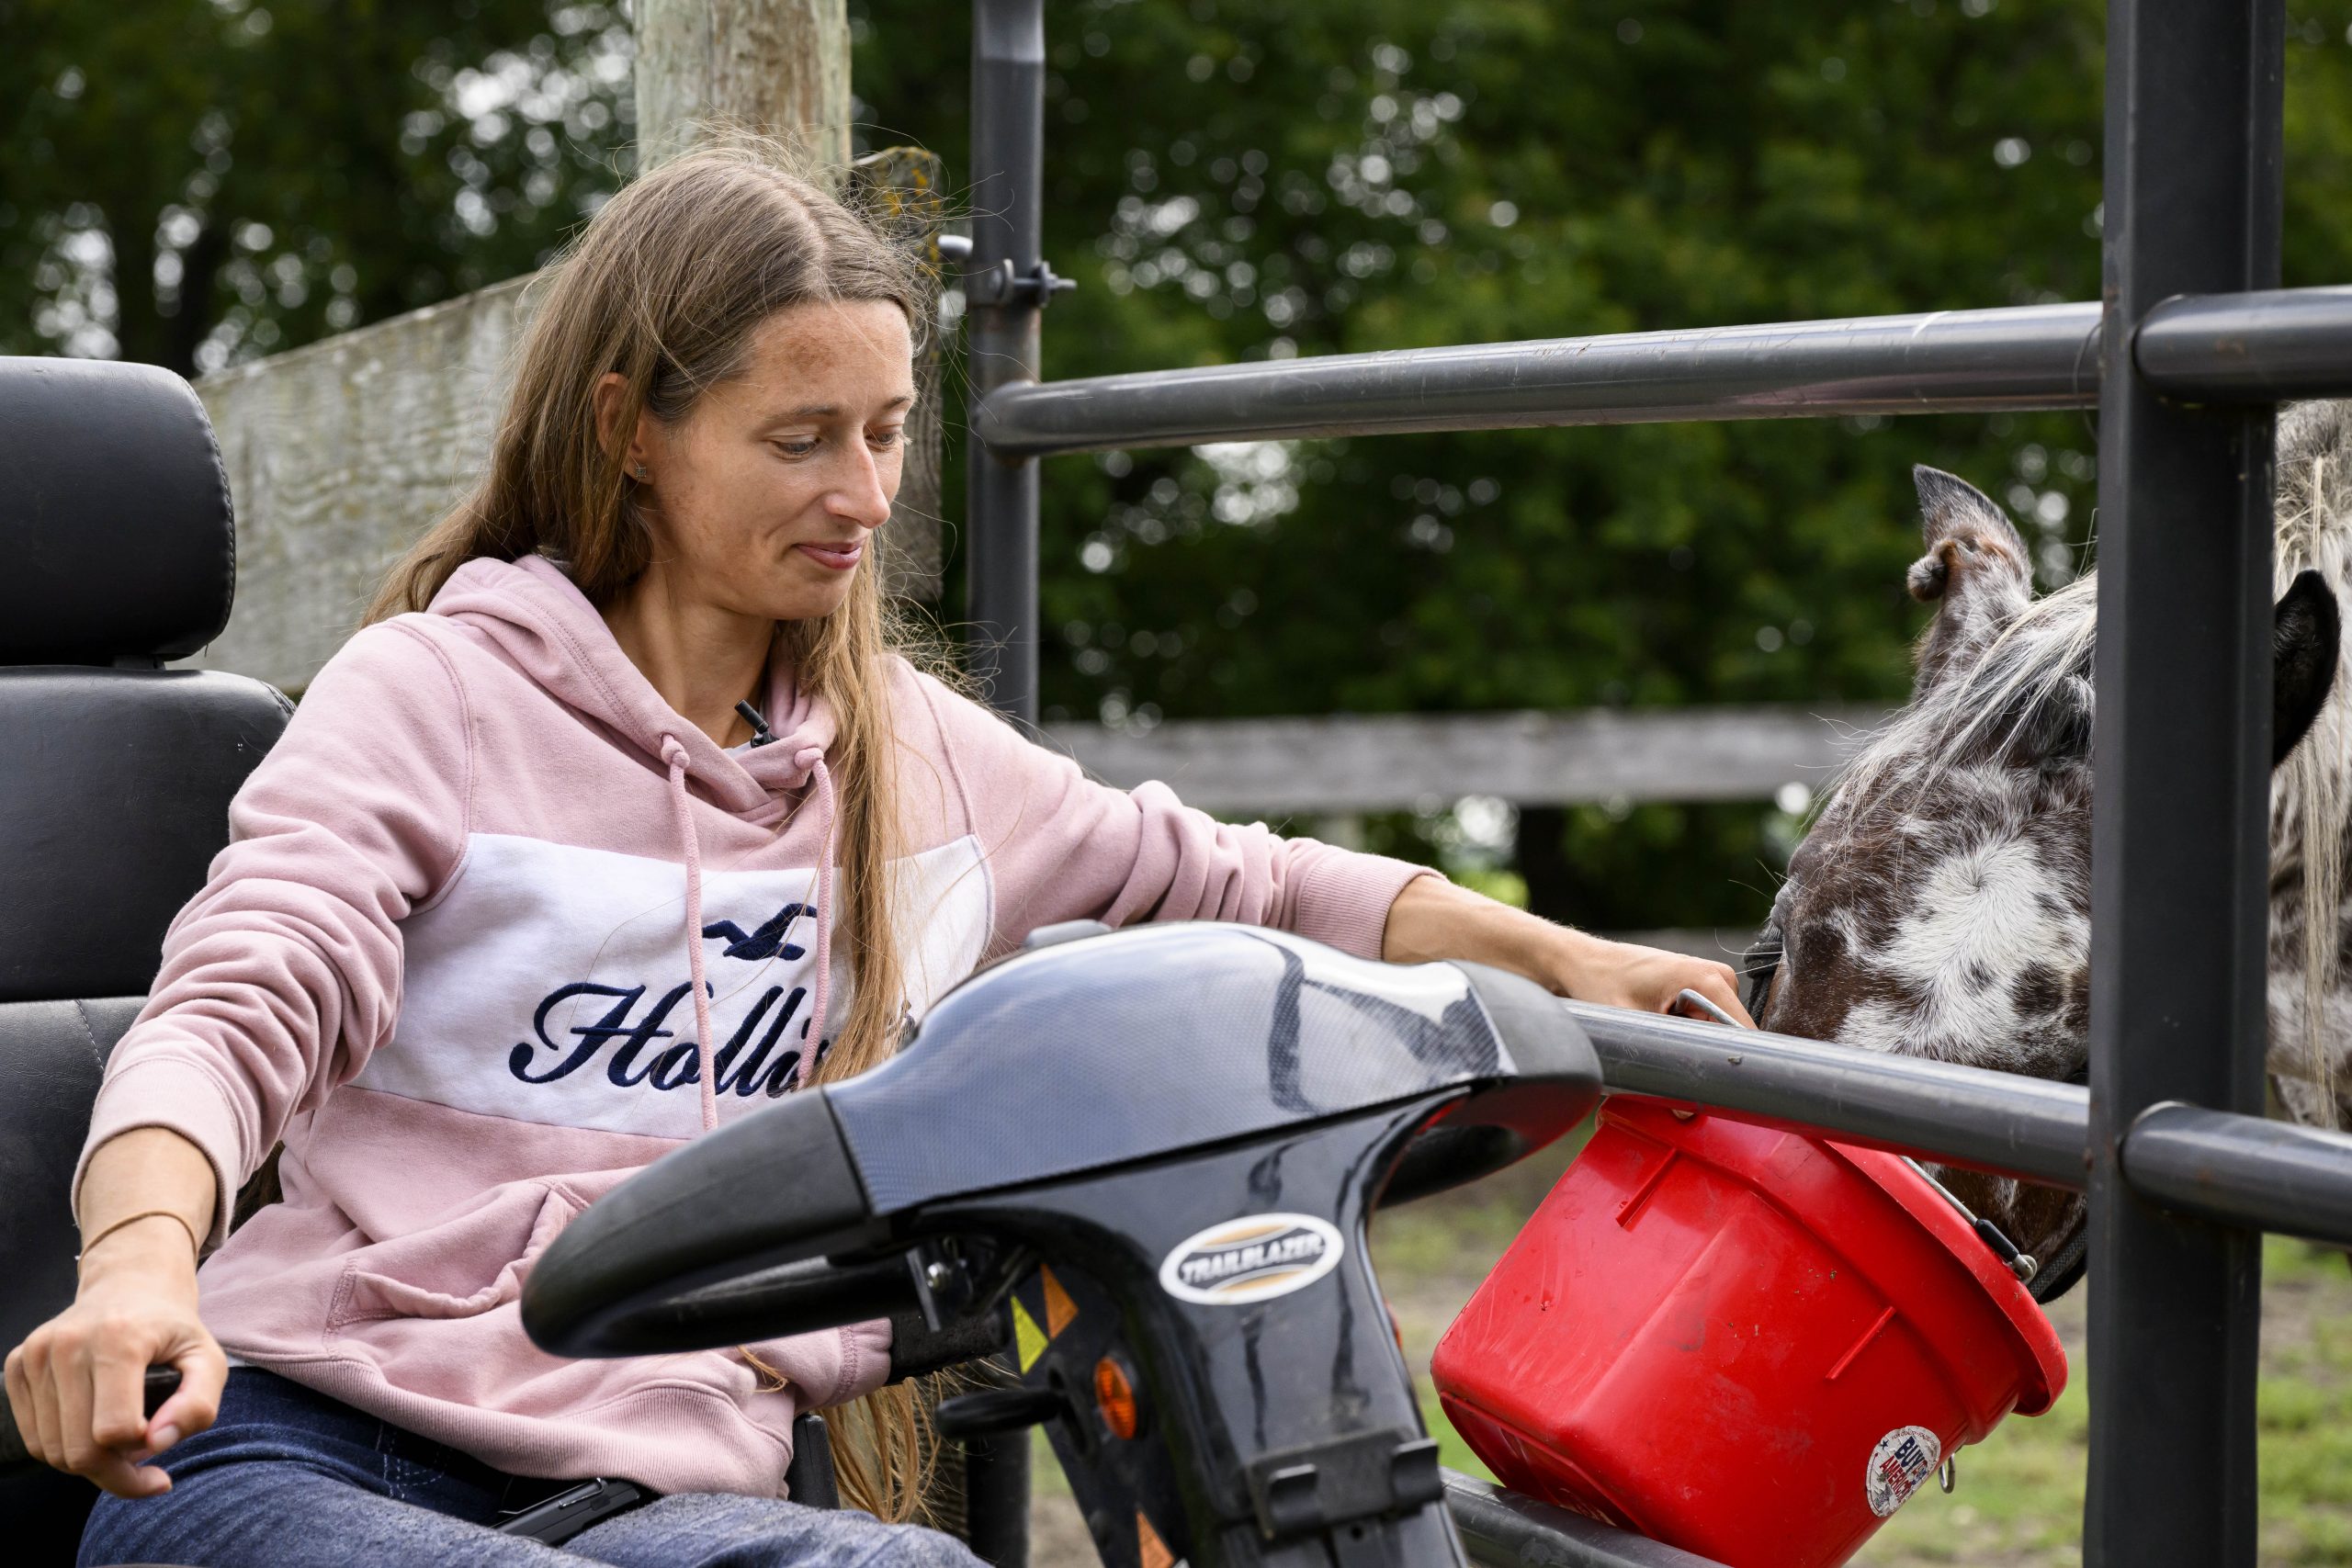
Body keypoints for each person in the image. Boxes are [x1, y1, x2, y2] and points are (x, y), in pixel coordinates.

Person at [5, 141, 1751, 1568]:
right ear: (629, 428)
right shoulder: (437, 693)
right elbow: (246, 995)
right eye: (797, 438)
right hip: (314, 1459)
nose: (864, 491)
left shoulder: (903, 751)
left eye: (891, 429)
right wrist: (143, 1260)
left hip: (668, 1495)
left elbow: (1232, 878)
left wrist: (1563, 959)